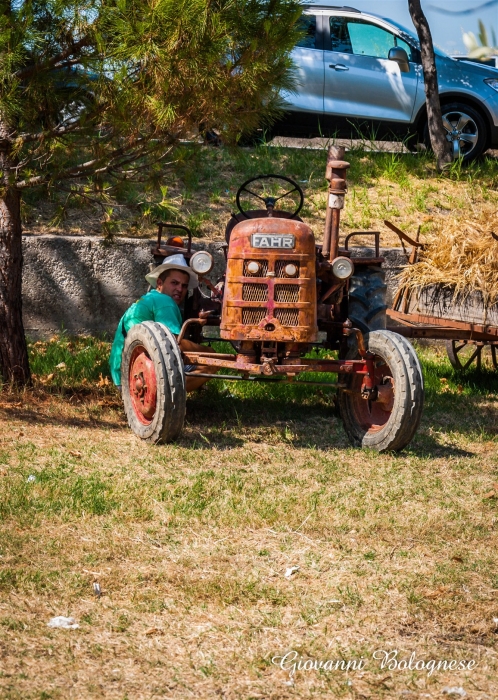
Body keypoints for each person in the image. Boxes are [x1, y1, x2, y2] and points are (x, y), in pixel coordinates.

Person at [109, 253, 212, 393]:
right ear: (159, 283)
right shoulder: (165, 301)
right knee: (210, 364)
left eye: (184, 285)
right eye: (174, 283)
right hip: (137, 376)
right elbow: (176, 344)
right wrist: (209, 352)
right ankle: (167, 395)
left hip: (122, 373)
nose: (180, 289)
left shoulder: (149, 299)